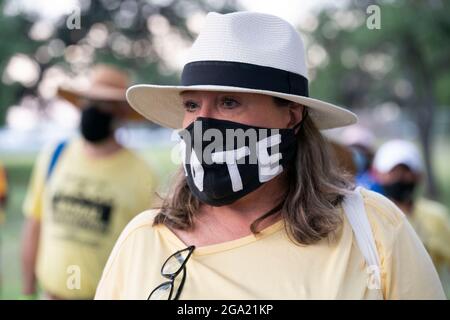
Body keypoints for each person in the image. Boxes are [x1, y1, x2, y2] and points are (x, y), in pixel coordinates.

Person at [95, 12, 444, 300]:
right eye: (191, 105)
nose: (202, 124)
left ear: (291, 115)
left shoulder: (372, 229)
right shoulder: (143, 240)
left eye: (229, 102)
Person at [21, 64, 158, 300]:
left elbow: (148, 250)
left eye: (102, 104)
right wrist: (28, 288)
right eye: (88, 102)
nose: (92, 110)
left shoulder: (142, 174)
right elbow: (35, 223)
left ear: (121, 113)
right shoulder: (55, 154)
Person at [373, 140, 450, 290]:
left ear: (418, 175)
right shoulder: (372, 215)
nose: (401, 178)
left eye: (406, 172)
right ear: (378, 175)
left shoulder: (436, 216)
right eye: (394, 172)